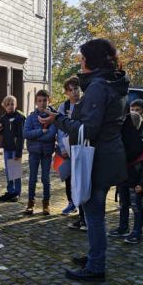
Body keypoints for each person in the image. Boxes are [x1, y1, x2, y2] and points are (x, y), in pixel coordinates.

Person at [39, 38, 129, 282]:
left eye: (82, 59)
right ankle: (93, 256)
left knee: (94, 214)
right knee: (94, 212)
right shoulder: (114, 82)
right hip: (110, 155)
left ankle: (96, 266)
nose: (80, 63)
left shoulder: (99, 86)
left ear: (92, 61)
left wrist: (58, 119)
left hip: (97, 158)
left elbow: (87, 130)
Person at [109, 112, 143, 243]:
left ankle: (137, 232)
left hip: (136, 182)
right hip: (123, 180)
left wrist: (142, 184)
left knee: (136, 207)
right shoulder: (122, 142)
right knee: (123, 204)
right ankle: (123, 227)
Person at [23, 90, 57, 215]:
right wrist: (41, 132)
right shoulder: (31, 117)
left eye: (45, 100)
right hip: (34, 152)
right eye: (39, 101)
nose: (42, 103)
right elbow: (26, 133)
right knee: (32, 178)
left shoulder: (53, 118)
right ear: (36, 102)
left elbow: (51, 135)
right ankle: (30, 203)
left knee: (45, 179)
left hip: (47, 153)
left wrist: (36, 136)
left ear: (49, 101)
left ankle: (46, 204)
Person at [57, 76, 81, 215]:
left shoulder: (85, 104)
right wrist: (62, 147)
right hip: (67, 146)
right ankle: (71, 203)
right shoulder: (64, 107)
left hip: (81, 145)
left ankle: (82, 205)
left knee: (81, 176)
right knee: (69, 176)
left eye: (76, 89)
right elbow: (60, 128)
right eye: (71, 90)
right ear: (66, 93)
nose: (74, 92)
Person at [0, 95, 25, 202]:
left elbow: (21, 136)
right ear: (4, 106)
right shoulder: (3, 118)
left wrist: (19, 152)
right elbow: (3, 132)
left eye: (12, 104)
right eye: (8, 104)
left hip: (15, 149)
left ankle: (17, 192)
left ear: (16, 105)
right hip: (7, 148)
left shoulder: (19, 117)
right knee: (8, 171)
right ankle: (10, 191)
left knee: (15, 171)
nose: (10, 106)